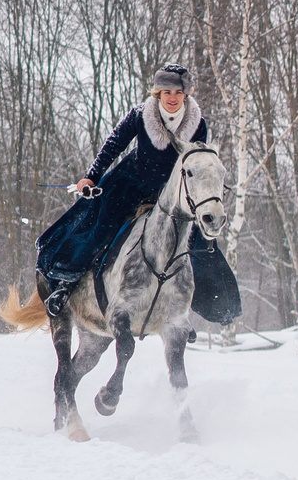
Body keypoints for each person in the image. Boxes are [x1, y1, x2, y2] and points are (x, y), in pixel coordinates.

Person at [34, 62, 238, 323]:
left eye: (177, 93)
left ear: (185, 95)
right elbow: (114, 145)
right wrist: (91, 176)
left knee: (198, 238)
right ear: (158, 94)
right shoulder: (140, 115)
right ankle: (66, 285)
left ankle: (194, 311)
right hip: (131, 183)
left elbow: (195, 164)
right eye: (166, 93)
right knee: (100, 228)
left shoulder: (198, 124)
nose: (172, 98)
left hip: (172, 192)